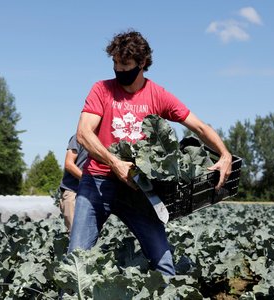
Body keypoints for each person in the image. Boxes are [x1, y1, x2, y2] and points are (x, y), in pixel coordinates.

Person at [68, 30, 232, 276]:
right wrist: (114, 162)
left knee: (163, 260)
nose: (119, 70)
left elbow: (198, 126)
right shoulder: (101, 90)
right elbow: (83, 133)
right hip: (97, 183)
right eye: (115, 63)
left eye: (125, 64)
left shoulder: (157, 95)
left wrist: (225, 154)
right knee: (76, 263)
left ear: (142, 63)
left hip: (137, 188)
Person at [58, 134, 88, 233]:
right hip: (73, 191)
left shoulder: (103, 139)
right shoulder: (79, 137)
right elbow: (69, 164)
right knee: (74, 234)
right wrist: (88, 180)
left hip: (91, 193)